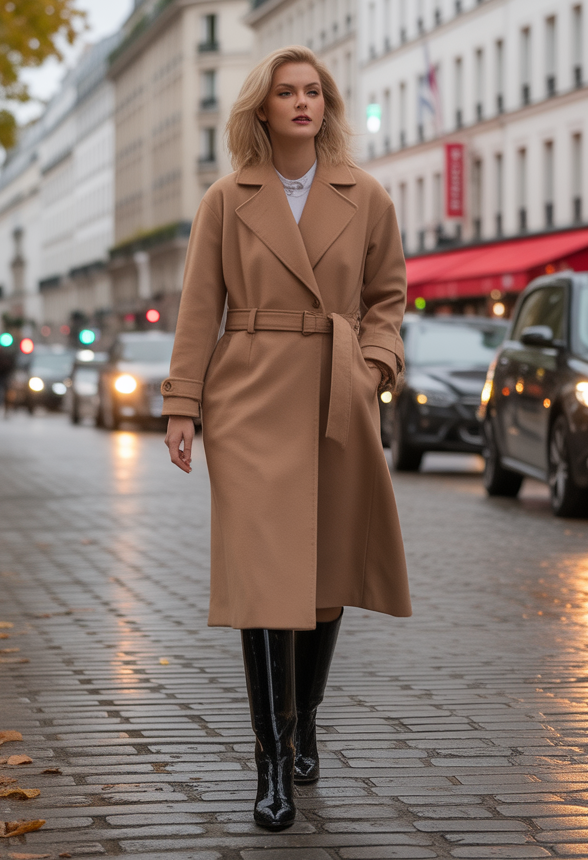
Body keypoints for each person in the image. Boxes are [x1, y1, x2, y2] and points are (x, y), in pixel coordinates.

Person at [162, 46, 411, 831]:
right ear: (261, 108)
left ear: (326, 107)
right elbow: (200, 305)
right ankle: (271, 762)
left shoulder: (365, 196)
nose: (302, 103)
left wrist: (374, 363)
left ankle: (304, 721)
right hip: (250, 393)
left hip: (336, 388)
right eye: (286, 92)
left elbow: (388, 296)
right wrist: (183, 405)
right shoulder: (226, 199)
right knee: (267, 579)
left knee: (325, 572)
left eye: (313, 92)